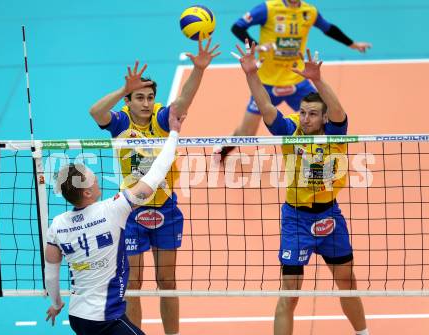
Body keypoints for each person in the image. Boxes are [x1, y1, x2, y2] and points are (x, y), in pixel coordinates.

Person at [234, 40, 369, 335]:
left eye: (311, 114)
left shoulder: (335, 133)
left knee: (347, 282)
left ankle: (363, 333)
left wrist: (318, 80)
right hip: (296, 220)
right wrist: (250, 74)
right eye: (302, 112)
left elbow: (338, 110)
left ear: (323, 118)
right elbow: (267, 107)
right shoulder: (289, 131)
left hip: (330, 218)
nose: (304, 118)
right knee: (290, 292)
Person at [88, 38, 220, 335]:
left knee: (167, 283)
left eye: (150, 97)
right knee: (133, 284)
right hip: (131, 213)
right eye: (139, 98)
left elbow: (183, 103)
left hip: (165, 211)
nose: (146, 103)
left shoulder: (161, 120)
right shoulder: (120, 123)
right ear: (129, 101)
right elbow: (95, 112)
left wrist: (198, 70)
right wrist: (123, 88)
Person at [44, 106, 185, 335]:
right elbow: (157, 173)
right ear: (87, 193)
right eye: (92, 179)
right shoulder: (114, 209)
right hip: (106, 319)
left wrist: (56, 302)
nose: (97, 178)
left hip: (77, 317)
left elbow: (50, 271)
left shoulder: (57, 224)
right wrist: (175, 134)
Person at [220, 0, 371, 157]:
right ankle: (223, 149)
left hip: (298, 81)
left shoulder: (309, 11)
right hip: (267, 83)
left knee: (323, 120)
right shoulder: (268, 8)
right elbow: (237, 27)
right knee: (246, 133)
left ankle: (320, 160)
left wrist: (352, 44)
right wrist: (256, 46)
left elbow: (328, 28)